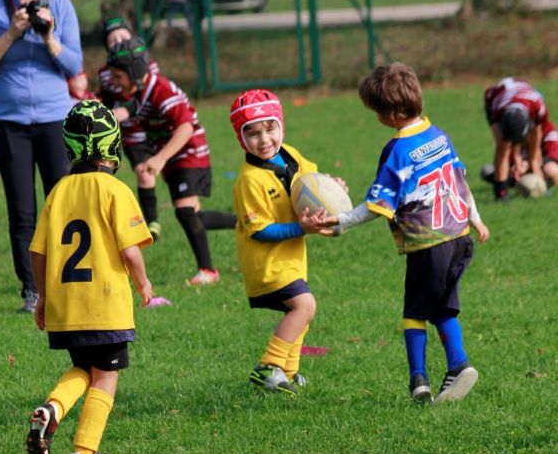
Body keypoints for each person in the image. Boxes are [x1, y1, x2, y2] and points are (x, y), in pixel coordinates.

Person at [311, 63, 490, 404]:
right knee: (443, 308)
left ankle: (418, 380)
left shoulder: (397, 151)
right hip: (460, 238)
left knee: (414, 313)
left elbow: (375, 206)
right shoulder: (438, 134)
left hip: (429, 244)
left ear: (391, 115)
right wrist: (476, 218)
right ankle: (457, 366)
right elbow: (459, 181)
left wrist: (338, 221)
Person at [25, 100, 154, 454]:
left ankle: (52, 408)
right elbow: (130, 250)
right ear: (112, 145)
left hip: (67, 307)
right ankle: (84, 452)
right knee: (107, 375)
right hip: (105, 303)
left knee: (84, 368)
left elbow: (38, 252)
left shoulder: (58, 191)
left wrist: (43, 297)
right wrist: (144, 283)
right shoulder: (115, 190)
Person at [0, 0, 82, 312]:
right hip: (8, 120)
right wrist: (12, 32)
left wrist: (49, 37)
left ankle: (67, 284)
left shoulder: (61, 4)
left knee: (61, 204)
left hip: (54, 117)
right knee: (22, 210)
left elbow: (75, 63)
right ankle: (32, 292)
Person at [107, 36, 236, 286]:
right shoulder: (141, 90)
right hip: (176, 156)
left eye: (118, 76)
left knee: (186, 211)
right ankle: (246, 223)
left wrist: (160, 157)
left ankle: (208, 270)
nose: (115, 82)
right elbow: (133, 108)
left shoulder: (161, 89)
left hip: (190, 153)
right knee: (192, 215)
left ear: (134, 73)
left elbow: (186, 127)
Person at [230, 89, 335, 396]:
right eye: (253, 133)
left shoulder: (290, 154)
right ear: (241, 138)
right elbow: (260, 231)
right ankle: (269, 365)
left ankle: (288, 371)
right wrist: (300, 227)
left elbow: (315, 186)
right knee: (304, 305)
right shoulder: (250, 180)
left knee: (302, 310)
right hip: (267, 262)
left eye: (270, 128)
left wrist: (333, 190)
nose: (264, 140)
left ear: (281, 126)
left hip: (292, 259)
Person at [97, 17, 163, 243]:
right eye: (112, 39)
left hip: (139, 130)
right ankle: (106, 222)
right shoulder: (105, 72)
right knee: (103, 174)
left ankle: (151, 222)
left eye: (122, 37)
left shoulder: (146, 62)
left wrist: (127, 109)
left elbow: (149, 93)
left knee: (144, 173)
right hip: (115, 131)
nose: (117, 41)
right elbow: (105, 97)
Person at [483, 77, 548, 200]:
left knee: (531, 141)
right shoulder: (498, 108)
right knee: (503, 146)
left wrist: (534, 161)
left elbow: (537, 134)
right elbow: (507, 140)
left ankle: (531, 171)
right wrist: (516, 156)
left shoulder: (538, 106)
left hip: (523, 101)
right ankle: (501, 191)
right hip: (495, 99)